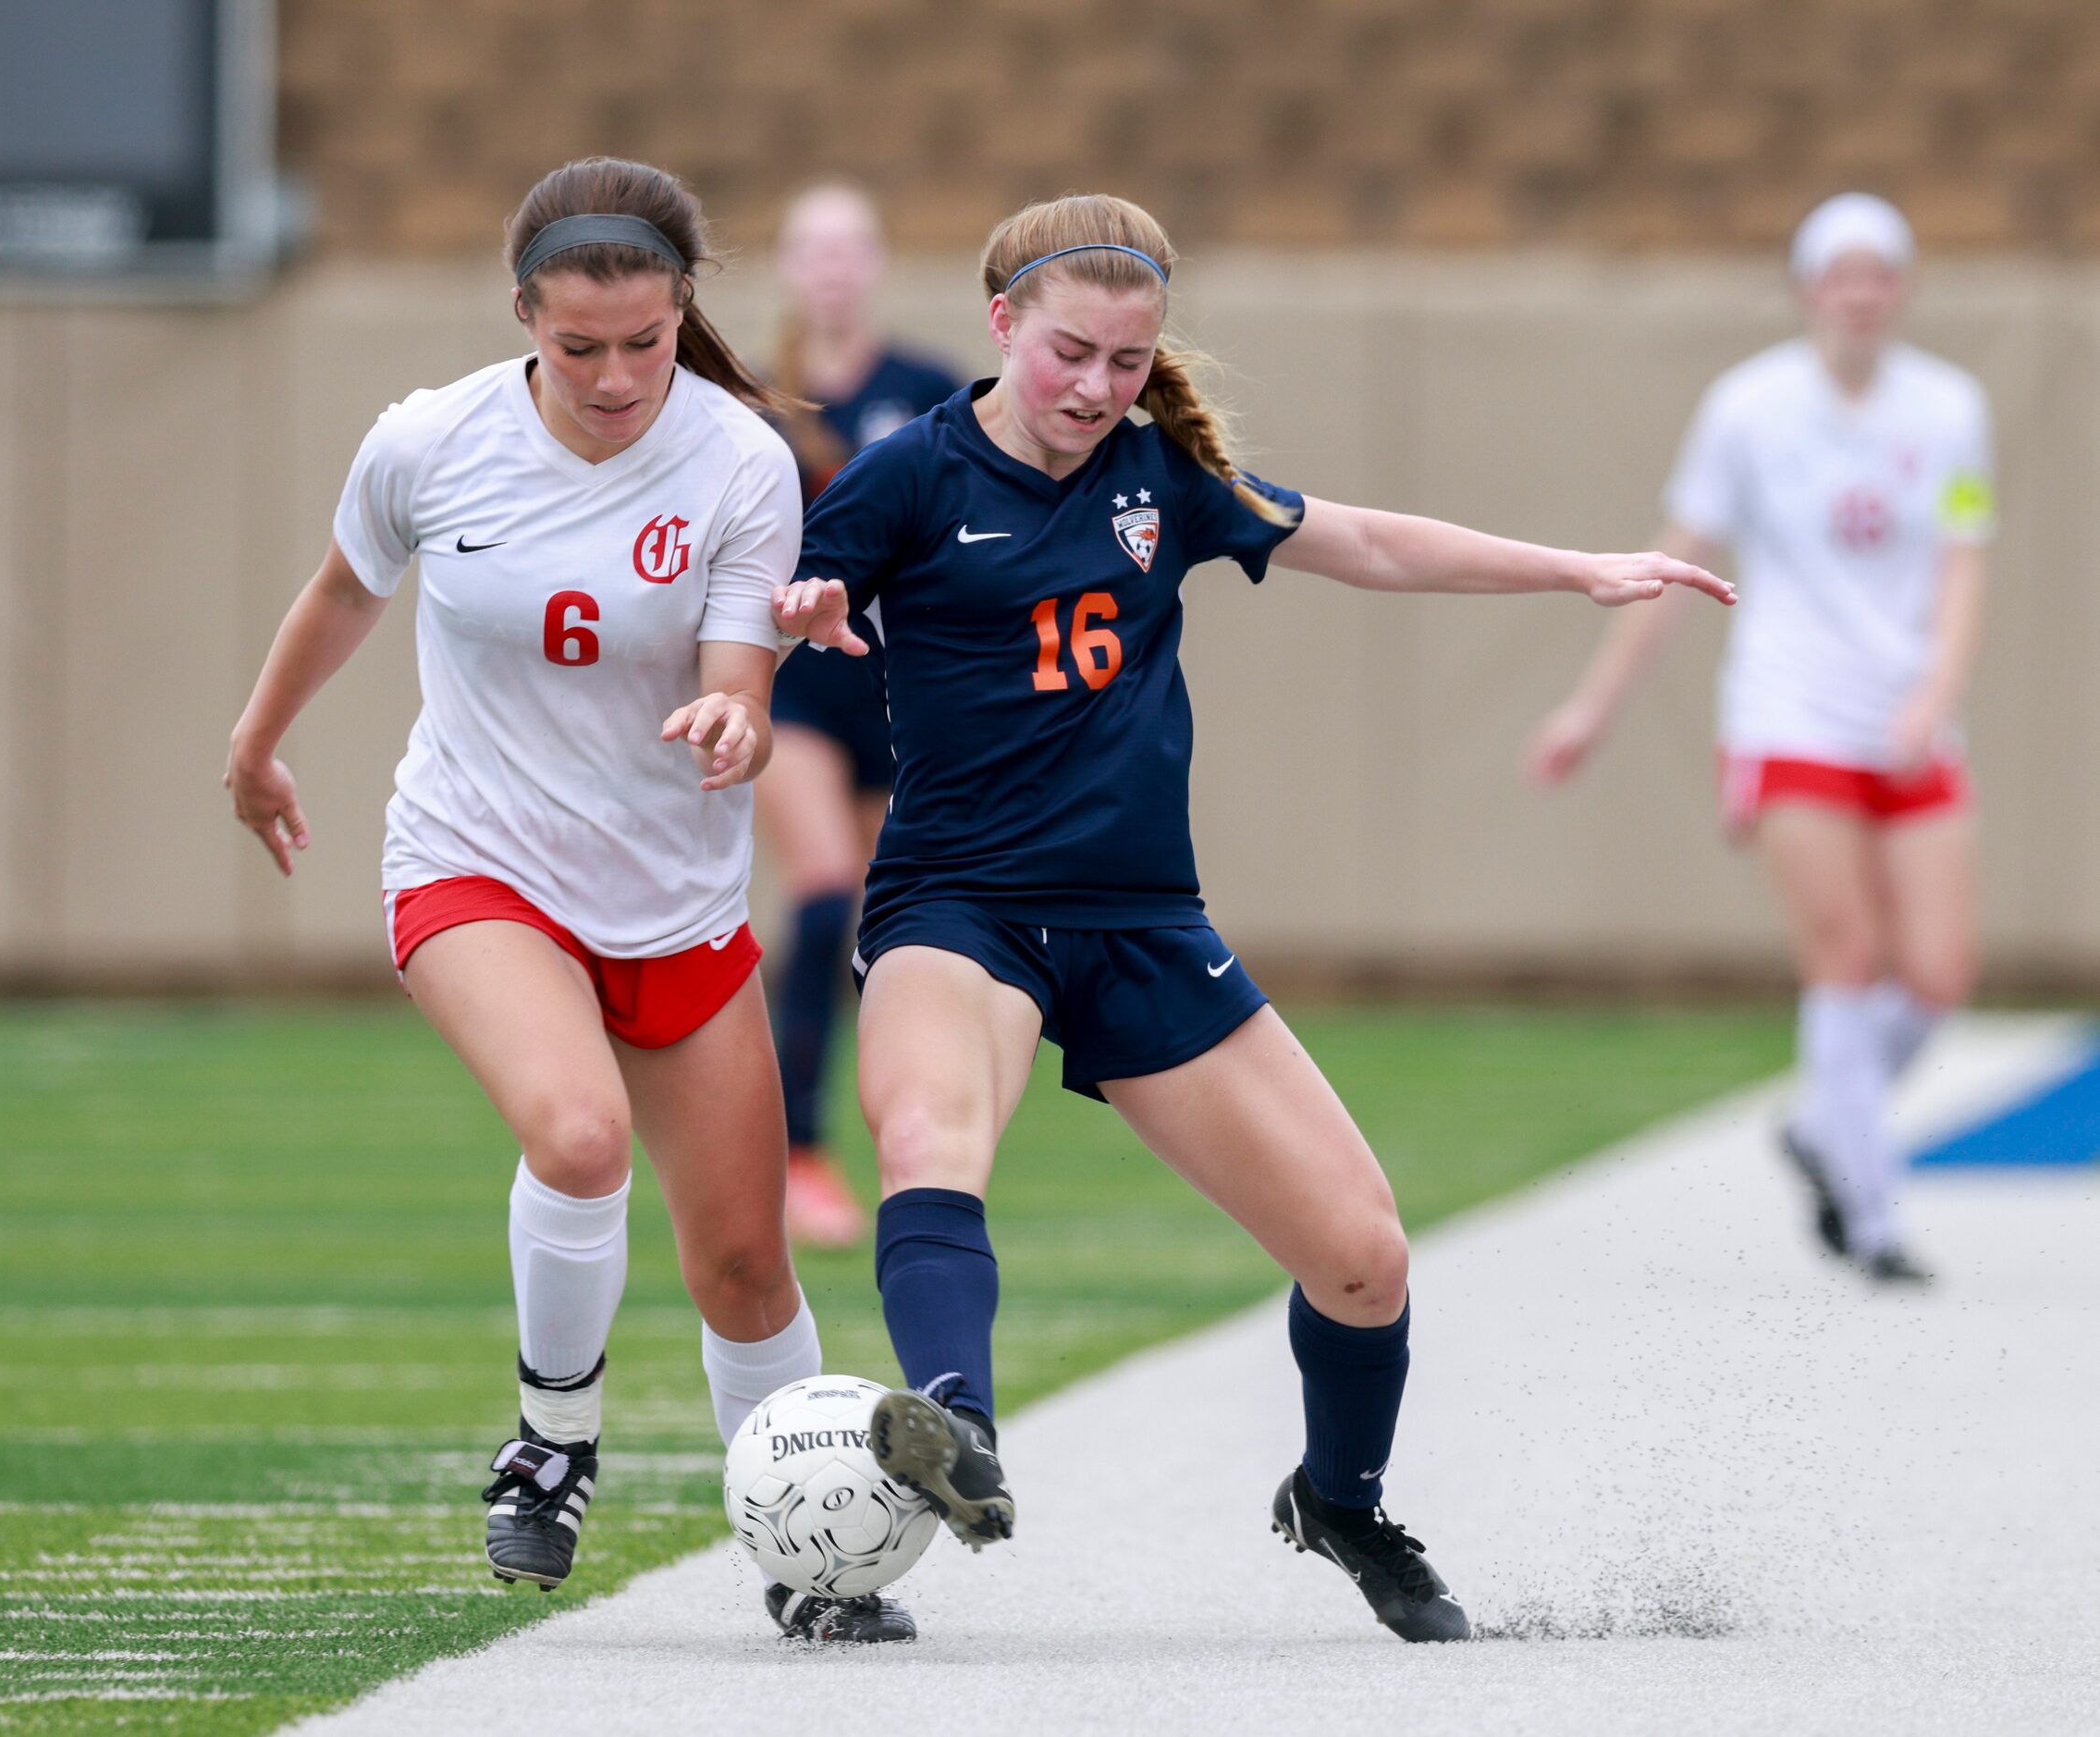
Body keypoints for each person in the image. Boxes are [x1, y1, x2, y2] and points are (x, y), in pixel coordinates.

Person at [769, 193, 1731, 1642]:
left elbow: (1367, 542)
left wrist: (1575, 569)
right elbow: (780, 590)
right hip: (961, 904)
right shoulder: (907, 474)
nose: (1095, 387)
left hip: (1145, 919)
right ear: (999, 326)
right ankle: (950, 1423)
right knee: (926, 1138)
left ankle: (1336, 1497)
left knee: (1362, 1256)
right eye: (1067, 352)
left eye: (1124, 357)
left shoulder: (1162, 476)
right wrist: (788, 616)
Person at [223, 157, 914, 1644]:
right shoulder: (428, 440)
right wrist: (257, 738)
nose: (611, 375)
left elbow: (738, 676)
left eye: (644, 343)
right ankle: (553, 1437)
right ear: (523, 315)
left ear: (685, 317)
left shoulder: (738, 460)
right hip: (476, 861)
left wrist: (735, 719)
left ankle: (808, 1547)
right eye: (576, 345)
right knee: (579, 1132)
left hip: (669, 895)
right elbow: (347, 588)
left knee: (741, 1262)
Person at [1526, 193, 1994, 1287]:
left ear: (1902, 290)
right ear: (1806, 290)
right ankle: (1871, 1215)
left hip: (1910, 716)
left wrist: (1934, 690)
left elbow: (1965, 558)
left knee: (1935, 976)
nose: (1861, 295)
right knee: (1846, 953)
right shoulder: (1748, 409)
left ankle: (1828, 1119)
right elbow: (1677, 558)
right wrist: (1590, 709)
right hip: (1791, 716)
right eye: (1841, 275)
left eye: (1880, 274)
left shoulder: (1949, 408)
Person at [758, 184, 964, 1250]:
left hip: (899, 687)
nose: (833, 269)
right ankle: (796, 1148)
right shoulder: (756, 399)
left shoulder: (928, 389)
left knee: (891, 926)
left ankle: (912, 1140)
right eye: (814, 250)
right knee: (825, 889)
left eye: (851, 250)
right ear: (790, 268)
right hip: (800, 685)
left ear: (873, 264)